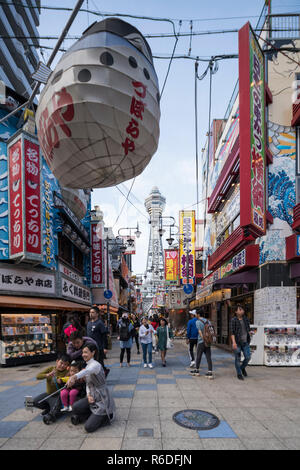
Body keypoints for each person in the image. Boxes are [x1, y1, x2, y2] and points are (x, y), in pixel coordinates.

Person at [67, 343, 115, 433]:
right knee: (75, 407)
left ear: (93, 353)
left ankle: (105, 416)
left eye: (86, 352)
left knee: (88, 427)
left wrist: (74, 377)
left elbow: (87, 371)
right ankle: (92, 415)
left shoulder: (95, 365)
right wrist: (88, 395)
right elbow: (88, 384)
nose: (83, 355)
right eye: (82, 352)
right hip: (92, 396)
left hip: (102, 398)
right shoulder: (87, 365)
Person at [33, 353, 71, 424]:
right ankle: (48, 408)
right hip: (48, 394)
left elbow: (65, 380)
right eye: (61, 363)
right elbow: (38, 376)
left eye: (65, 364)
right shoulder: (51, 369)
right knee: (32, 402)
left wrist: (60, 379)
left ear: (67, 366)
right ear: (57, 361)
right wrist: (47, 375)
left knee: (55, 413)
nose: (62, 366)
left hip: (57, 397)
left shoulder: (67, 372)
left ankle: (54, 410)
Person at [86, 306, 110, 377]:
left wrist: (105, 347)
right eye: (90, 312)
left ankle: (103, 374)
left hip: (99, 347)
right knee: (92, 363)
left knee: (99, 362)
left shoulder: (100, 323)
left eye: (93, 312)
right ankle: (99, 374)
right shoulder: (89, 323)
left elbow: (104, 336)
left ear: (97, 314)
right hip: (90, 348)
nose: (91, 314)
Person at [230, 304, 251, 381]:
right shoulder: (233, 320)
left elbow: (248, 329)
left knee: (248, 357)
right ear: (236, 311)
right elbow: (232, 332)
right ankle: (239, 373)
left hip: (245, 342)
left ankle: (242, 368)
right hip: (237, 343)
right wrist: (234, 342)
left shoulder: (246, 319)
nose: (242, 310)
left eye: (242, 309)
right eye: (240, 309)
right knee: (237, 359)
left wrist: (251, 332)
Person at [190, 311, 213, 379]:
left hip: (201, 341)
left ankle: (197, 371)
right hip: (208, 341)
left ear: (198, 314)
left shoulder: (198, 322)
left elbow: (199, 331)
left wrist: (203, 339)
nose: (195, 315)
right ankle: (210, 372)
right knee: (208, 356)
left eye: (196, 314)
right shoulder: (208, 321)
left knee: (198, 356)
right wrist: (208, 340)